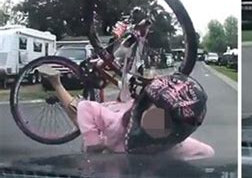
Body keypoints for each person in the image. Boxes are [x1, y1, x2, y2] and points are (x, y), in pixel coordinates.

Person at [37, 65, 214, 159]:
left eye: (169, 118)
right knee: (78, 115)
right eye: (158, 109)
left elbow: (206, 152)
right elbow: (86, 109)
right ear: (147, 102)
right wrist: (94, 142)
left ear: (179, 131)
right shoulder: (116, 124)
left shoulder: (179, 147)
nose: (159, 120)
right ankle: (56, 82)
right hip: (113, 116)